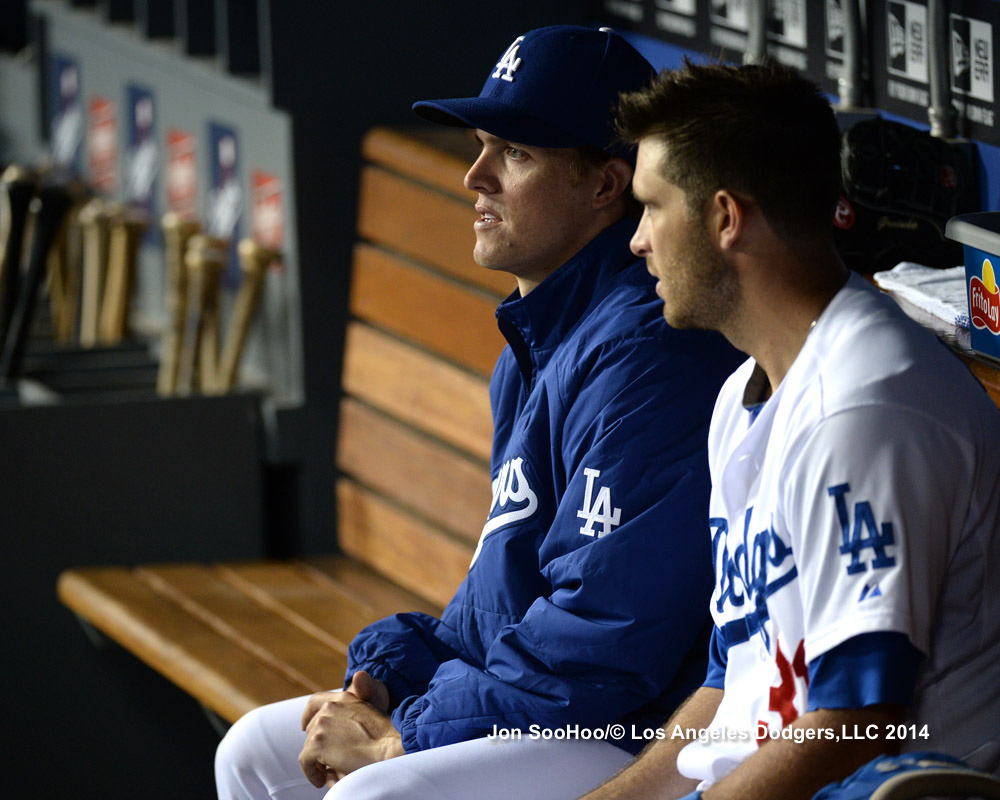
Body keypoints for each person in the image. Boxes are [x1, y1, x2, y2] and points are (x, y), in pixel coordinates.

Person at [215, 26, 743, 800]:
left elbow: (605, 642)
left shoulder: (649, 352)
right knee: (253, 751)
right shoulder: (539, 339)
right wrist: (389, 679)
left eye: (515, 154)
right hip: (547, 700)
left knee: (374, 793)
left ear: (604, 186)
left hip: (633, 731)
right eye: (480, 145)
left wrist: (414, 730)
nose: (474, 177)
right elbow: (502, 593)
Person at [582, 60, 1000, 800]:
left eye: (651, 206)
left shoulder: (868, 408)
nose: (637, 239)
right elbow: (731, 676)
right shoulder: (742, 392)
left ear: (723, 218)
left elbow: (858, 717)